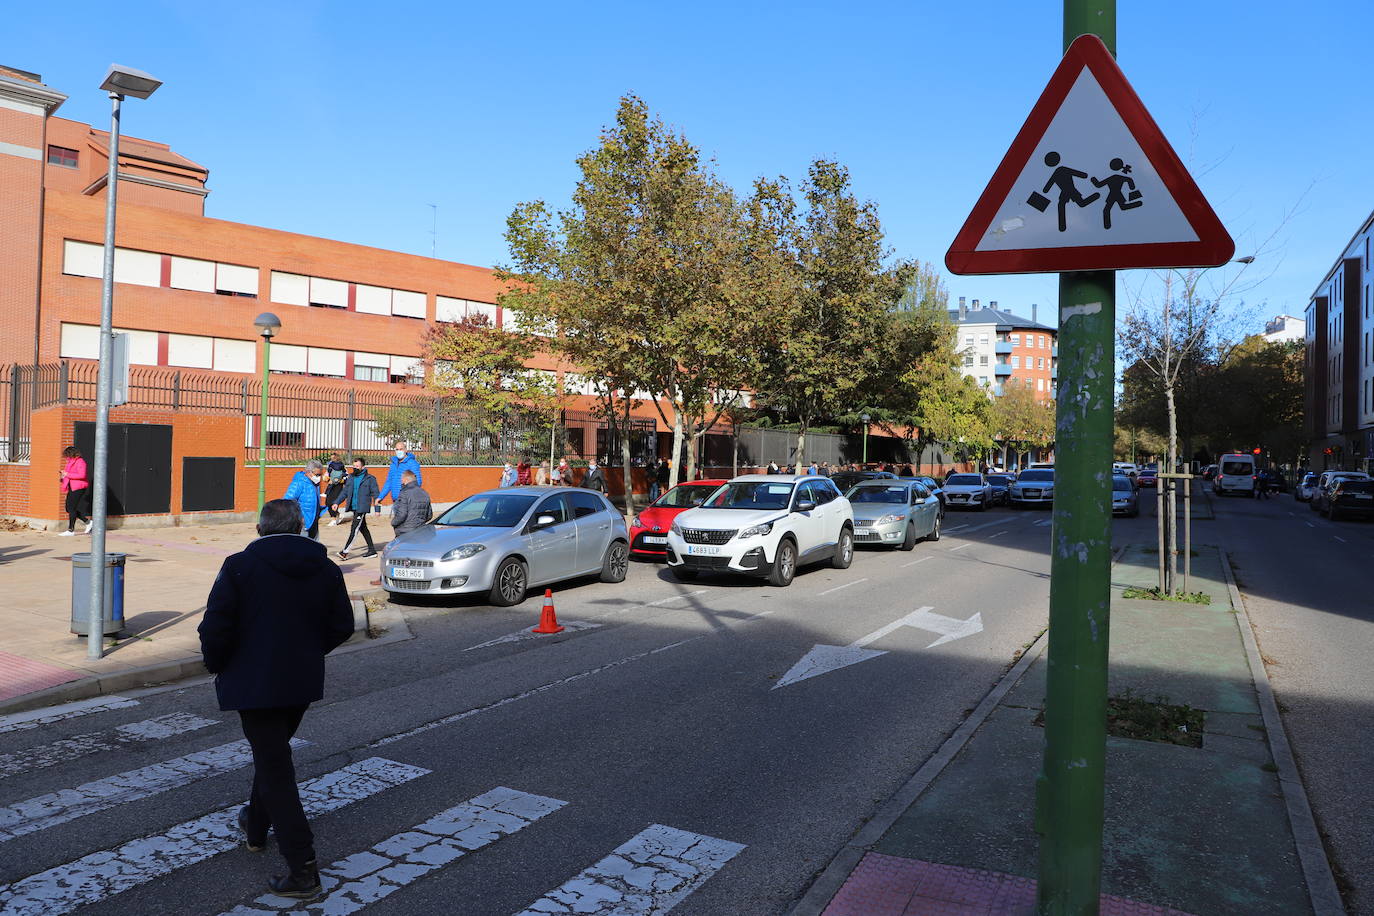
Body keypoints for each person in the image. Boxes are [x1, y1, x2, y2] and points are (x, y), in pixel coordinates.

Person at [198, 499, 355, 899]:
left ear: (260, 528)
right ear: (301, 526)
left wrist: (219, 665)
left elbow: (215, 626)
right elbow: (343, 625)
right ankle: (255, 828)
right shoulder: (326, 567)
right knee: (272, 755)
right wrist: (309, 652)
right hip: (299, 681)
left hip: (253, 683)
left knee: (276, 768)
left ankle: (303, 869)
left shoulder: (238, 565)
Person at [338, 457, 379, 560]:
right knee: (363, 528)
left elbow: (376, 494)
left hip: (362, 508)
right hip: (354, 507)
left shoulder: (370, 479)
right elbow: (345, 492)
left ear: (363, 467)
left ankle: (345, 552)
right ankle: (372, 550)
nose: (355, 468)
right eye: (354, 466)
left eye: (357, 466)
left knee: (354, 528)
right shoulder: (351, 477)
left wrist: (377, 509)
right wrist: (336, 503)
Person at [283, 460, 324, 540]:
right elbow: (287, 501)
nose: (319, 477)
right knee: (302, 544)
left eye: (320, 475)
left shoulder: (315, 483)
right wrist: (299, 517)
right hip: (303, 521)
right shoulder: (299, 483)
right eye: (317, 475)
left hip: (313, 519)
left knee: (314, 545)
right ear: (308, 472)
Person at [378, 442, 422, 509]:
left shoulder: (412, 463)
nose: (399, 451)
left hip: (407, 501)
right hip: (396, 501)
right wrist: (381, 497)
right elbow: (389, 482)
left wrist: (408, 495)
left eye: (401, 449)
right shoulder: (393, 465)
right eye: (397, 449)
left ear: (405, 450)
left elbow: (418, 481)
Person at [59, 445, 92, 536]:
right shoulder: (70, 463)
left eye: (67, 455)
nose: (66, 458)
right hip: (72, 487)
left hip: (79, 487)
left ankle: (71, 530)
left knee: (71, 508)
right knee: (68, 508)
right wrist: (63, 477)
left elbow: (82, 475)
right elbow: (68, 474)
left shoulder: (81, 462)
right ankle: (88, 522)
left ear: (71, 454)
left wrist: (67, 474)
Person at [389, 470, 432, 536]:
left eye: (401, 479)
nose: (401, 481)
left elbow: (401, 515)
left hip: (405, 532)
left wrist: (393, 522)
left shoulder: (404, 493)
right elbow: (429, 515)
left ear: (405, 479)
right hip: (421, 531)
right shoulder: (424, 493)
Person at [323, 453, 347, 525]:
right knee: (330, 502)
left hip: (333, 486)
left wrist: (327, 479)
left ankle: (334, 519)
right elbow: (346, 476)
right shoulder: (342, 466)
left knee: (330, 502)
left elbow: (326, 475)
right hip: (338, 486)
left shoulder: (331, 466)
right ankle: (337, 514)